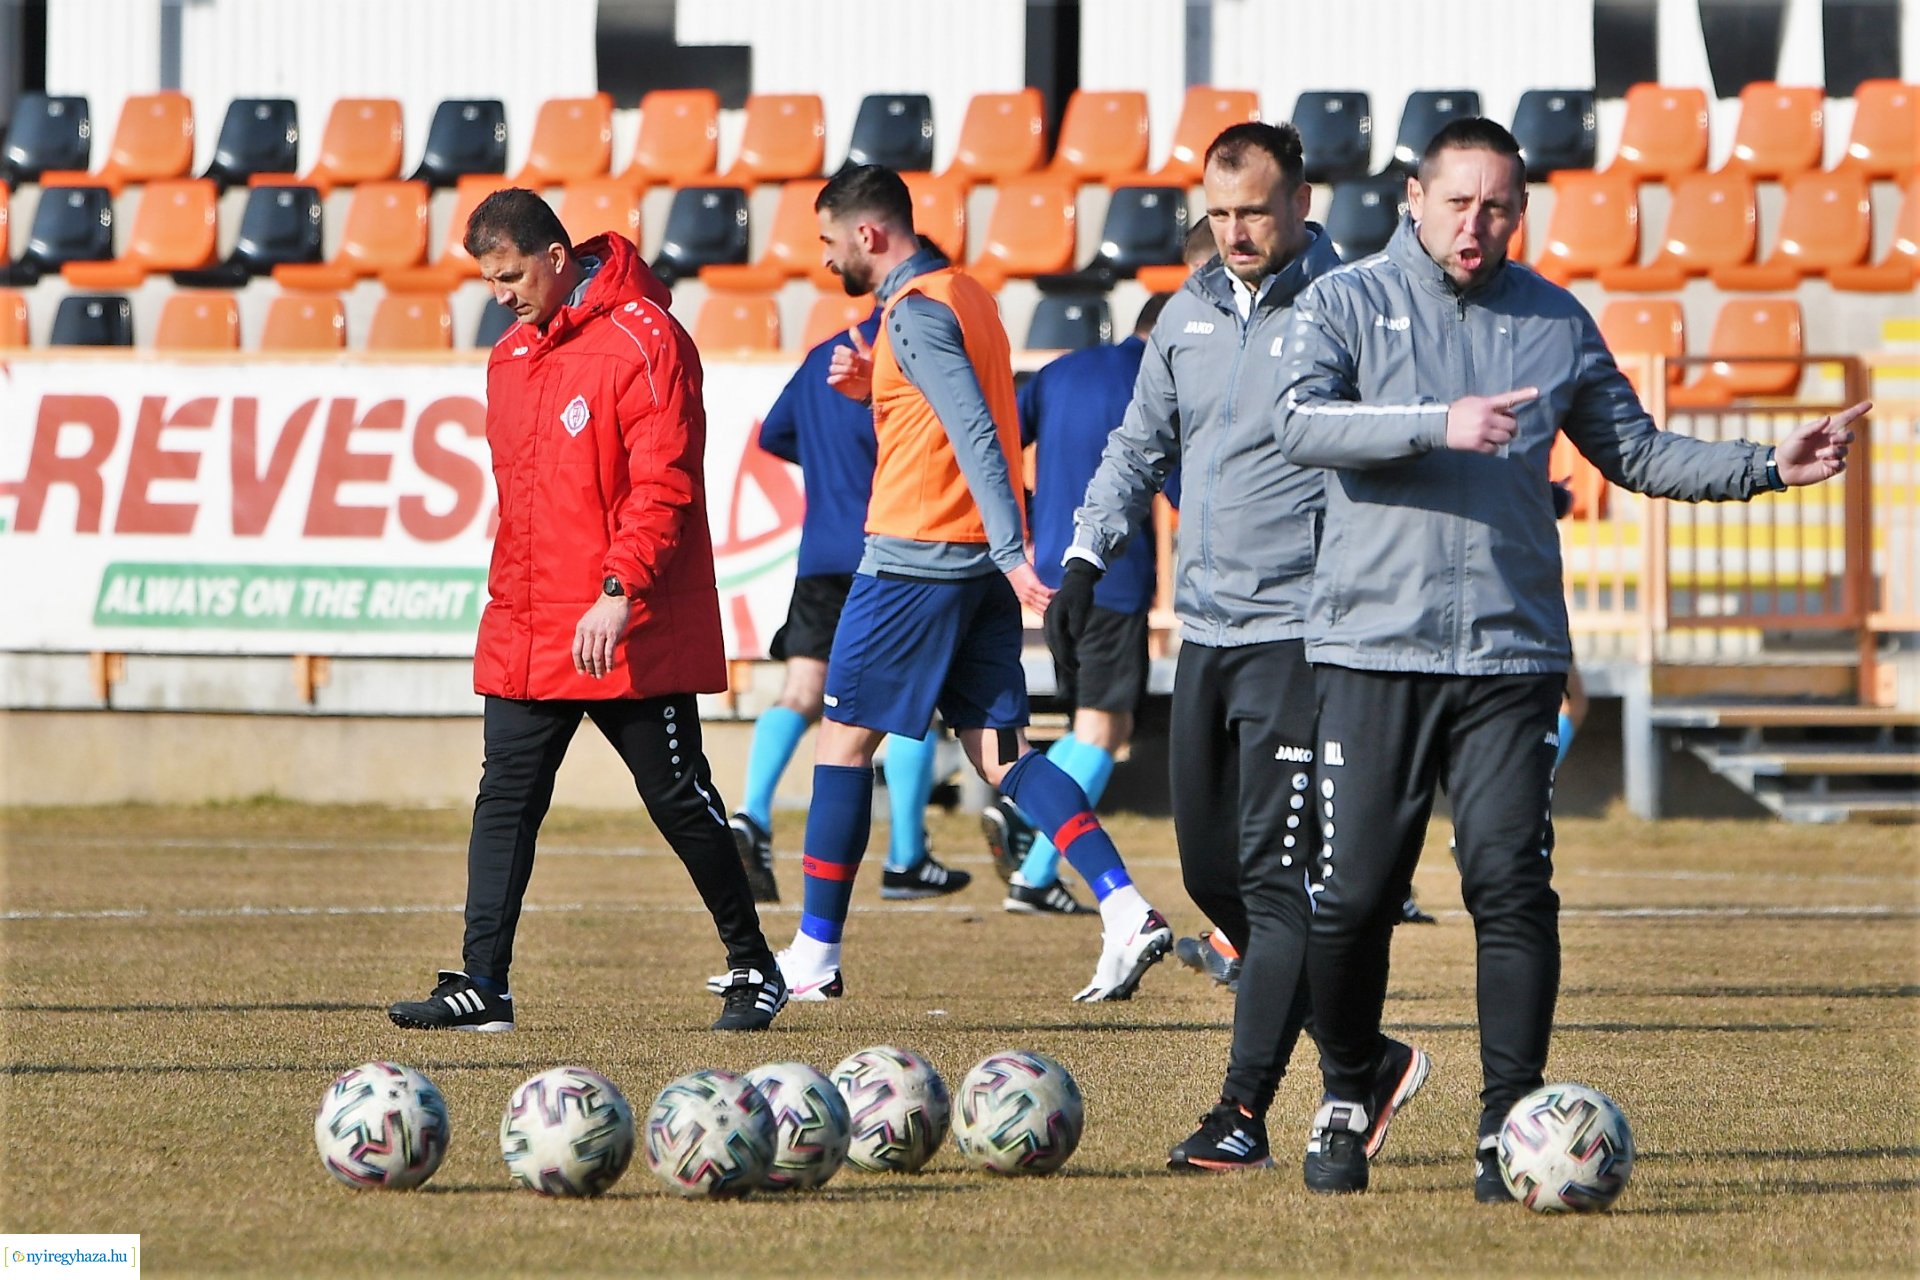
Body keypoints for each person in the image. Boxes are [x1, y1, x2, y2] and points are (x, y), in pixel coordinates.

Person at [1275, 117, 1864, 1198]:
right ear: (1415, 195)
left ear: (1519, 211)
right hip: (1370, 647)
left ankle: (1511, 1119)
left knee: (1509, 881)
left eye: (1498, 205)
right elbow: (1300, 422)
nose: (1476, 222)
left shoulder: (1552, 319)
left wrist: (1767, 465)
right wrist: (1433, 421)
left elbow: (1633, 449)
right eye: (1458, 201)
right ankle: (1350, 1088)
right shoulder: (1347, 300)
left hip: (1510, 655)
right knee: (1353, 894)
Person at [1050, 122, 1430, 1171]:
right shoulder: (1185, 313)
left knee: (1272, 882)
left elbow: (1400, 438)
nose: (1235, 232)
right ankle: (1366, 1059)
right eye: (1218, 215)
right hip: (1205, 627)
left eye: (1254, 210)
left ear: (1302, 201)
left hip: (1308, 634)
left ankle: (1243, 1112)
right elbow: (1140, 445)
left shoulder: (1354, 307)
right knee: (1213, 874)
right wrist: (1085, 555)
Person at [770, 163, 1173, 1003]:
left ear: (868, 235)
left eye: (829, 241)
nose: (825, 257)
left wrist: (1010, 549)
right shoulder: (968, 295)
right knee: (1000, 754)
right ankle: (1125, 907)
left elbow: (981, 434)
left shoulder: (912, 314)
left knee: (841, 743)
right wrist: (867, 389)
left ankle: (813, 954)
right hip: (967, 564)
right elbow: (954, 409)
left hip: (917, 559)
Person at [387, 189, 788, 1035]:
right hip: (531, 625)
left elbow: (664, 483)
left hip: (621, 624)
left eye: (511, 276)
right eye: (489, 281)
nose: (501, 295)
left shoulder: (647, 340)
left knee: (678, 797)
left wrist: (617, 592)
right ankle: (482, 984)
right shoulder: (510, 356)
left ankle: (755, 967)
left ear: (556, 256)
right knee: (505, 799)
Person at [729, 308, 968, 905]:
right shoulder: (906, 355)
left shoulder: (821, 356)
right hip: (887, 550)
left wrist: (828, 466)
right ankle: (906, 856)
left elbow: (772, 433)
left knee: (801, 691)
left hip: (820, 554)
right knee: (915, 702)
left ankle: (751, 814)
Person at [979, 291, 1179, 917]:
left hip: (1051, 575)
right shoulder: (1153, 385)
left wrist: (1030, 508)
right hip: (1111, 575)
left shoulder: (1061, 370)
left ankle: (1021, 812)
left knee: (1084, 722)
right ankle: (1035, 871)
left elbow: (1001, 439)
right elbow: (1179, 486)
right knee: (1103, 728)